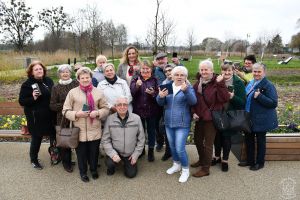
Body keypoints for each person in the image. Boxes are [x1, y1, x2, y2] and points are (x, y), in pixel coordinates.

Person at [63, 67, 109, 182]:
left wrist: (97, 113)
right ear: (78, 79)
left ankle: (93, 170)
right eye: (82, 78)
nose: (85, 79)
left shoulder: (98, 92)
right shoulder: (72, 92)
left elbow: (106, 108)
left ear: (91, 78)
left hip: (95, 129)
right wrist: (77, 114)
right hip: (79, 130)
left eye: (87, 77)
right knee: (81, 154)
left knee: (94, 153)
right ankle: (83, 172)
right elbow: (65, 111)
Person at [157, 66, 197, 183]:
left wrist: (186, 91)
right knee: (172, 146)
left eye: (182, 75)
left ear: (185, 77)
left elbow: (193, 101)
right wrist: (160, 97)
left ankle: (185, 169)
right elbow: (160, 103)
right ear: (172, 76)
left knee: (180, 148)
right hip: (169, 121)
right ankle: (176, 164)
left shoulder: (188, 87)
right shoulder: (167, 87)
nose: (179, 77)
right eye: (177, 75)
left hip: (182, 123)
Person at [191, 59, 230, 177]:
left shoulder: (217, 82)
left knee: (208, 144)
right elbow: (193, 100)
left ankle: (206, 169)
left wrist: (221, 84)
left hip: (211, 118)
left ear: (212, 70)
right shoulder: (198, 83)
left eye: (206, 69)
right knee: (197, 140)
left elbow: (224, 99)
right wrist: (193, 112)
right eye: (201, 69)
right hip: (200, 117)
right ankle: (202, 160)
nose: (203, 72)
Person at [239, 63, 278, 171]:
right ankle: (250, 161)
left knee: (261, 141)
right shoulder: (251, 82)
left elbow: (273, 103)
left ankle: (260, 163)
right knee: (249, 139)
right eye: (254, 71)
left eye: (259, 71)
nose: (256, 73)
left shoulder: (268, 85)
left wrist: (260, 96)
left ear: (264, 72)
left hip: (261, 118)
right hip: (248, 116)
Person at [19, 61, 56, 170]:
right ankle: (34, 159)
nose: (39, 71)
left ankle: (54, 155)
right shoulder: (27, 84)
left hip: (50, 115)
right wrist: (33, 98)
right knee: (37, 138)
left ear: (43, 70)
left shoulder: (48, 81)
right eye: (36, 69)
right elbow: (22, 101)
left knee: (53, 136)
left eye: (40, 69)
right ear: (31, 72)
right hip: (36, 117)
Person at [211, 63, 246, 172]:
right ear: (221, 70)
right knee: (217, 136)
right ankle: (217, 156)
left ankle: (225, 160)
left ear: (233, 71)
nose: (226, 73)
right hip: (217, 113)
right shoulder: (216, 80)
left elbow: (242, 103)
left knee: (226, 137)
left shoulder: (238, 83)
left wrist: (232, 97)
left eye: (229, 71)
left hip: (230, 114)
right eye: (224, 70)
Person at [102, 96, 145, 178]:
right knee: (110, 163)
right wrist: (113, 154)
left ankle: (127, 163)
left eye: (125, 104)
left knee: (131, 174)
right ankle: (112, 165)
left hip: (130, 153)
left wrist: (136, 155)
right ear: (116, 106)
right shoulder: (110, 119)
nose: (122, 107)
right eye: (119, 105)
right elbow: (105, 140)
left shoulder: (136, 118)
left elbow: (141, 139)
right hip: (116, 151)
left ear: (128, 106)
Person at [50, 64, 79, 172]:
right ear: (59, 74)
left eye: (67, 71)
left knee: (78, 139)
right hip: (62, 118)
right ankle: (66, 163)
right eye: (63, 72)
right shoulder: (55, 87)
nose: (65, 73)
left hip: (77, 116)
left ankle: (80, 160)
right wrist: (65, 105)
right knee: (65, 141)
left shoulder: (76, 83)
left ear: (70, 73)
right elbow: (52, 105)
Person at [130, 60, 160, 162]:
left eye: (147, 68)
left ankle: (151, 151)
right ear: (140, 69)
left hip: (152, 110)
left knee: (151, 131)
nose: (145, 70)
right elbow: (132, 93)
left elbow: (159, 95)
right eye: (143, 68)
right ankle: (141, 150)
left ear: (151, 69)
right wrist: (137, 86)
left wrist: (153, 93)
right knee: (140, 132)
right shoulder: (135, 79)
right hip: (138, 110)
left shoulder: (155, 80)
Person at [159, 64, 175, 161]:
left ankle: (176, 152)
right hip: (167, 111)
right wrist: (160, 96)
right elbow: (161, 102)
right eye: (166, 71)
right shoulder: (164, 84)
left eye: (170, 70)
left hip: (180, 112)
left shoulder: (182, 81)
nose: (168, 72)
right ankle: (168, 151)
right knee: (167, 131)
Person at [153, 52, 168, 152]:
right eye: (158, 59)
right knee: (157, 123)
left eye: (162, 59)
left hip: (170, 102)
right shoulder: (154, 71)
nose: (161, 61)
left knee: (167, 124)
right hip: (158, 101)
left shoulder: (173, 68)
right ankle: (159, 142)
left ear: (166, 59)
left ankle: (169, 144)